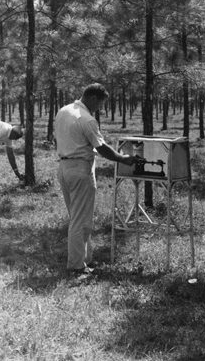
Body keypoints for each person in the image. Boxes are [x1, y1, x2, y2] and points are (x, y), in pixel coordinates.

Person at [54, 83, 137, 278]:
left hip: (64, 167)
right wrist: (122, 158)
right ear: (92, 98)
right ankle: (76, 267)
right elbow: (102, 148)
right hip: (80, 170)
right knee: (80, 220)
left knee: (77, 217)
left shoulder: (64, 111)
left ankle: (85, 260)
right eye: (100, 103)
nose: (100, 108)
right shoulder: (87, 119)